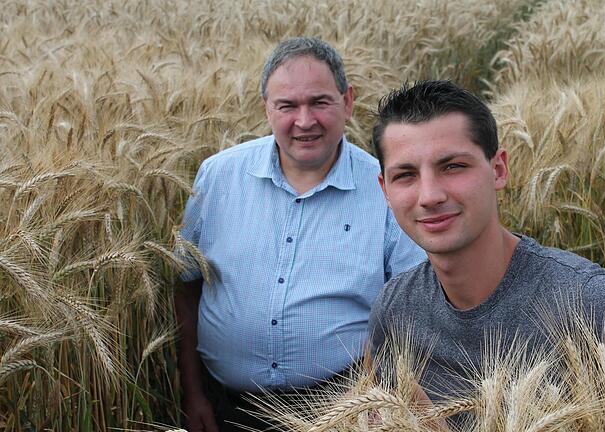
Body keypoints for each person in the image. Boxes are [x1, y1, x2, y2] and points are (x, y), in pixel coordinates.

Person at [368, 80, 605, 414]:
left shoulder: (583, 301)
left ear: (498, 170)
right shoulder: (397, 307)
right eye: (406, 176)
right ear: (385, 190)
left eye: (453, 166)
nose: (430, 195)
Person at [174, 37, 424, 432]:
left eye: (319, 102)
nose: (304, 121)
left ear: (347, 101)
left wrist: (377, 398)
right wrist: (192, 394)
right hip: (226, 410)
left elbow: (412, 310)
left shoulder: (388, 188)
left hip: (341, 412)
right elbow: (187, 286)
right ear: (266, 110)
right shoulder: (217, 176)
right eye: (287, 106)